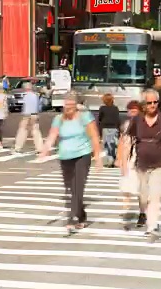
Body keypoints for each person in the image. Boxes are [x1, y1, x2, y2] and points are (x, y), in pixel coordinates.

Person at [120, 89, 161, 238]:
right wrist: (123, 162)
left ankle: (152, 225)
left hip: (159, 164)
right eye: (149, 103)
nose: (153, 105)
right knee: (143, 195)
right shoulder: (137, 121)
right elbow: (127, 140)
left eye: (155, 102)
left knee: (155, 195)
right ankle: (146, 214)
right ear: (143, 105)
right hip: (141, 164)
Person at [40, 94, 102, 233]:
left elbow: (94, 136)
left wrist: (97, 157)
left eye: (70, 106)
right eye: (65, 106)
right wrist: (45, 149)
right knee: (70, 188)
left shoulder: (85, 117)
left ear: (75, 107)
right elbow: (52, 135)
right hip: (65, 156)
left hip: (82, 155)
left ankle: (73, 217)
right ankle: (82, 216)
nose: (67, 109)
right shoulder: (58, 119)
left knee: (77, 186)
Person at [117, 100, 142, 209]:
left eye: (134, 111)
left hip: (141, 154)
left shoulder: (144, 122)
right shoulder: (127, 125)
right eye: (130, 111)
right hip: (130, 155)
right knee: (127, 178)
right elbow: (122, 142)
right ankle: (126, 200)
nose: (132, 113)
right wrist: (120, 159)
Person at [13, 82, 44, 154]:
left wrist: (23, 114)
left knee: (22, 130)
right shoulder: (35, 95)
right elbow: (38, 106)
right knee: (36, 131)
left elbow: (25, 107)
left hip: (27, 115)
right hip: (34, 114)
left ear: (25, 88)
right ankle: (40, 148)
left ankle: (18, 147)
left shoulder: (26, 96)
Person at [98, 93, 120, 166]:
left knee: (106, 145)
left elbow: (100, 119)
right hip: (114, 128)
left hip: (105, 128)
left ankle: (108, 161)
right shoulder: (116, 108)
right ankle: (113, 159)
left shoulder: (102, 108)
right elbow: (117, 119)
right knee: (113, 145)